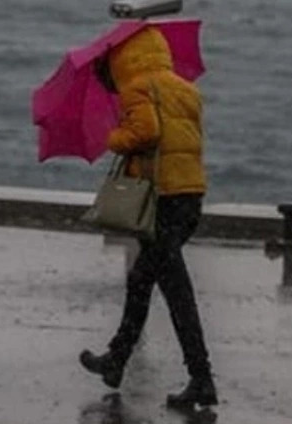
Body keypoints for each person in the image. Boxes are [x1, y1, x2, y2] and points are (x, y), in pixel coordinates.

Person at [80, 26, 216, 409]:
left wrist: (114, 138)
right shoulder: (185, 88)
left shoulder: (138, 87)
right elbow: (183, 138)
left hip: (162, 201)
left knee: (173, 291)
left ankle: (201, 378)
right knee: (144, 280)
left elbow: (147, 131)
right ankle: (117, 360)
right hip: (189, 195)